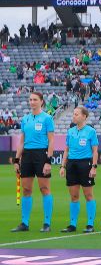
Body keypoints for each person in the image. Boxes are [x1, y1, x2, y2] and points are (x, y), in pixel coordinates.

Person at [12, 92, 55, 232]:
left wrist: (48, 161)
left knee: (44, 188)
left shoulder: (47, 118)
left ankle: (47, 223)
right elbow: (22, 142)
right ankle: (24, 223)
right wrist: (17, 160)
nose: (32, 102)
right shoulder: (25, 119)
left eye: (35, 99)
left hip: (41, 155)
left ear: (41, 101)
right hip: (27, 156)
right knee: (26, 189)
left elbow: (51, 141)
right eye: (30, 99)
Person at [59, 107, 98, 233]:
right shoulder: (70, 131)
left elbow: (95, 151)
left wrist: (94, 167)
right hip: (71, 164)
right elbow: (66, 150)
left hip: (85, 164)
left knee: (88, 195)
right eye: (73, 114)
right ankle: (72, 224)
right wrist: (63, 166)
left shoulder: (91, 131)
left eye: (76, 114)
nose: (74, 116)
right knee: (74, 196)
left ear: (84, 116)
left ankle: (90, 224)